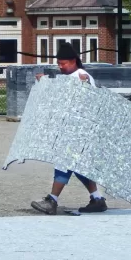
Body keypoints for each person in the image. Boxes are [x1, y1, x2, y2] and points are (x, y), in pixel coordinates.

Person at [30, 42, 108, 215]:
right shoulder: (71, 76)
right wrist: (44, 82)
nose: (60, 67)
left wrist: (85, 83)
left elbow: (85, 94)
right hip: (75, 129)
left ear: (74, 61)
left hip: (79, 131)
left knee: (64, 163)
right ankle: (97, 199)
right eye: (59, 63)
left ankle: (52, 200)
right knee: (78, 166)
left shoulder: (81, 75)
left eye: (63, 64)